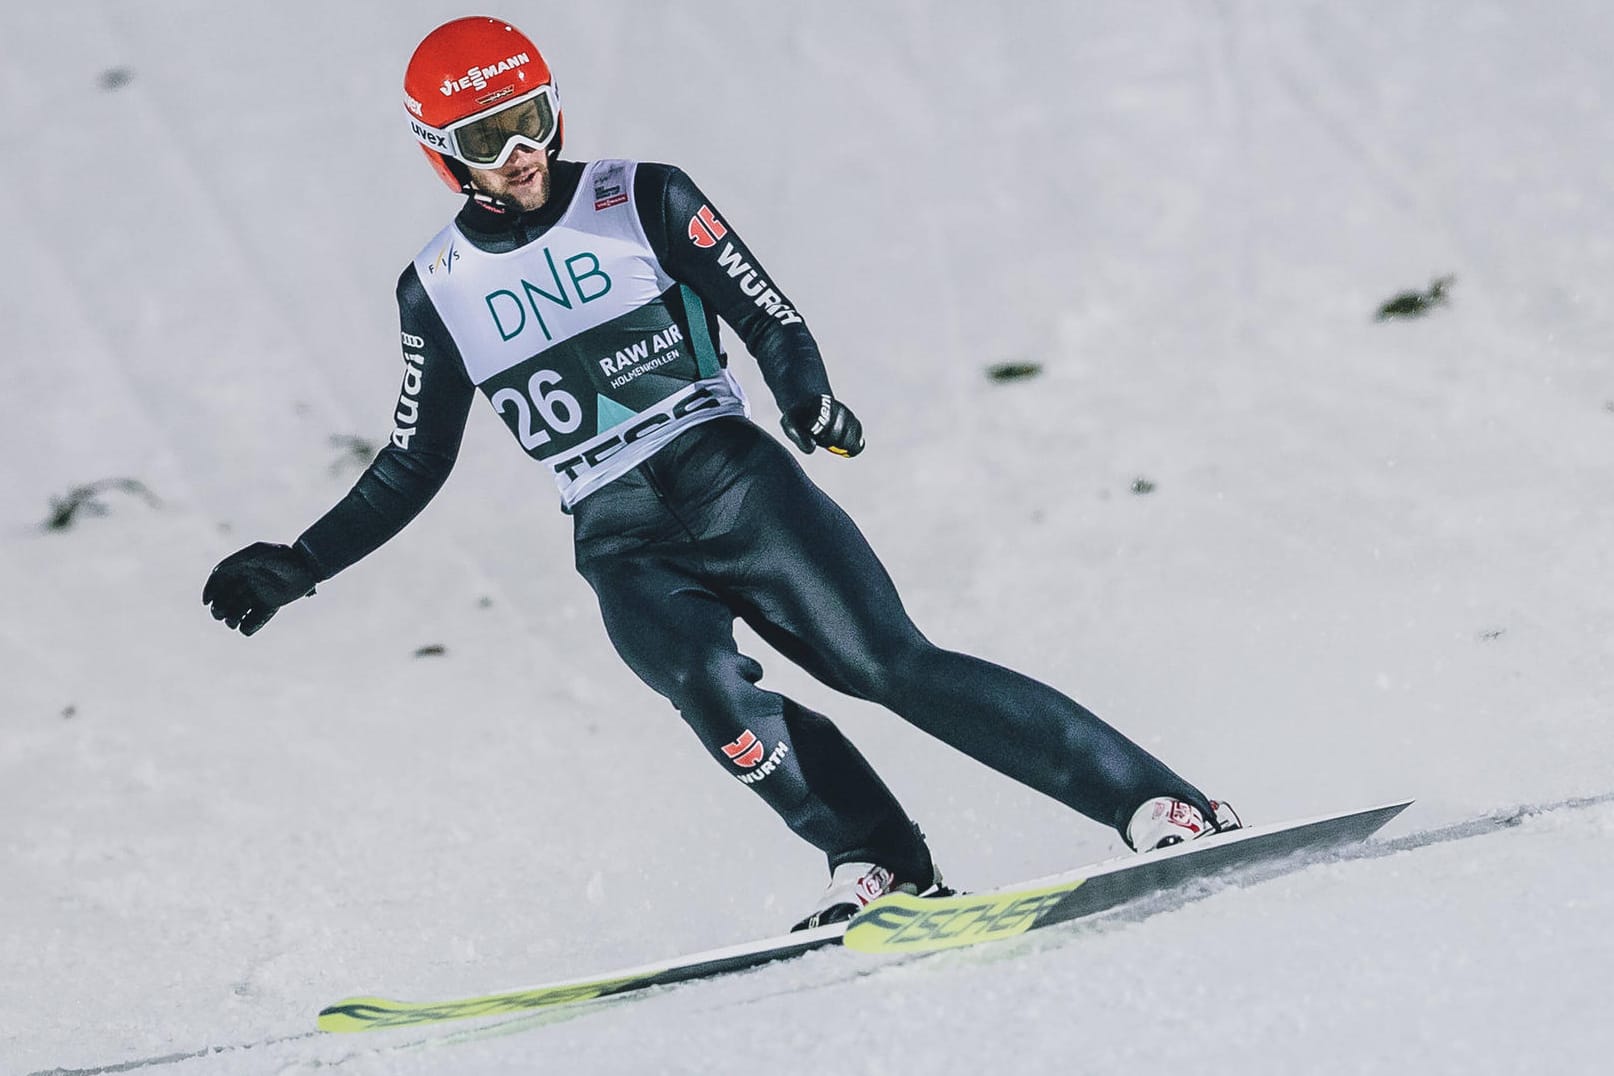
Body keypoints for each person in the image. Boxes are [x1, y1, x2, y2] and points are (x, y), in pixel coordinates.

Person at [202, 15, 1238, 931]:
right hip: (618, 533)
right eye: (486, 138)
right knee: (708, 692)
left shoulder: (639, 196)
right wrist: (302, 560)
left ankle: (1154, 799)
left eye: (532, 120)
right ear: (443, 156)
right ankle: (883, 862)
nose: (519, 154)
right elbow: (411, 462)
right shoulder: (438, 287)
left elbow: (767, 314)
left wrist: (804, 395)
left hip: (734, 480)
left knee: (883, 663)